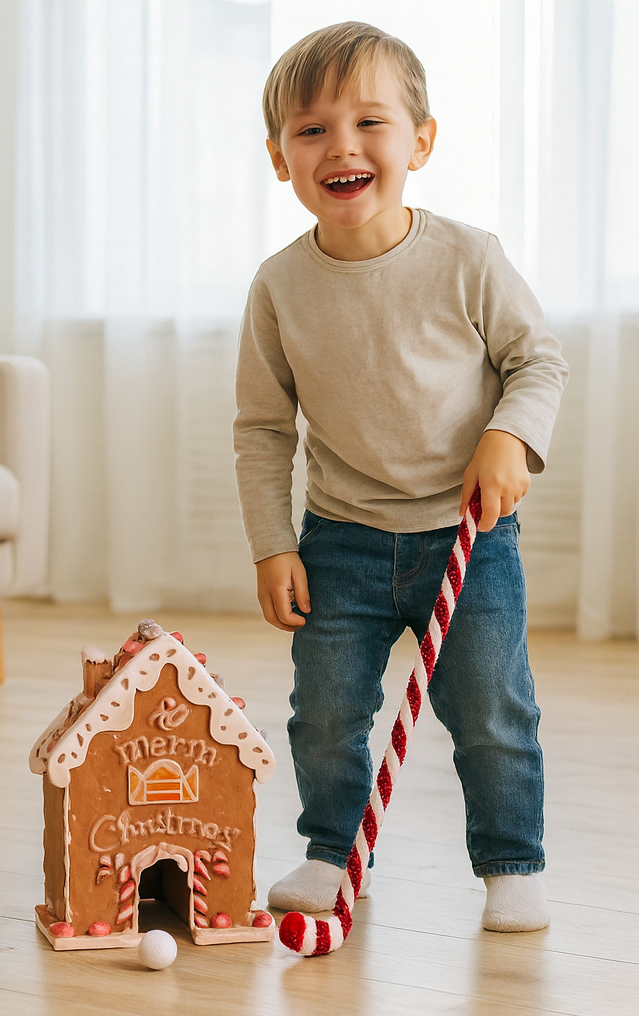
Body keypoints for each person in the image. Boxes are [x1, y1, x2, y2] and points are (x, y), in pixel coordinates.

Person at [233, 22, 568, 932]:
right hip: (339, 537)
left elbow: (537, 362)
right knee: (326, 711)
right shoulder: (279, 287)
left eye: (369, 122)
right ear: (280, 159)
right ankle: (332, 850)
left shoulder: (467, 258)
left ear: (421, 140)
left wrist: (509, 438)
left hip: (466, 536)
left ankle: (511, 860)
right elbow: (263, 428)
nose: (341, 145)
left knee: (492, 706)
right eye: (311, 131)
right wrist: (273, 545)